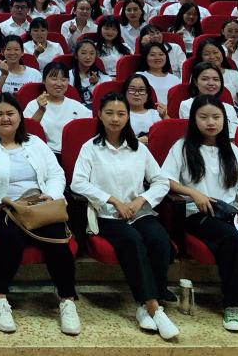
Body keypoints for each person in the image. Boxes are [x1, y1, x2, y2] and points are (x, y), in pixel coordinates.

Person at [162, 95, 238, 333]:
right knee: (232, 238)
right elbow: (166, 179)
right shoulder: (182, 147)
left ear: (224, 120)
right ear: (194, 119)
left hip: (231, 213)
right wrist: (193, 193)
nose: (210, 122)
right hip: (198, 214)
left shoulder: (231, 149)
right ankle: (232, 304)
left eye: (216, 117)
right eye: (203, 117)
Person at [0, 93, 80, 335]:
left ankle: (67, 300)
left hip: (40, 205)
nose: (5, 119)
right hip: (6, 208)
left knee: (58, 238)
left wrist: (51, 195)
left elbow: (56, 174)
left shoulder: (35, 143)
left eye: (10, 113)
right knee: (10, 239)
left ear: (20, 117)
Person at [70, 93, 177, 339]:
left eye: (121, 114)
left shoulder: (139, 148)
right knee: (132, 240)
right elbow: (78, 183)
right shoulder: (90, 148)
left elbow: (161, 181)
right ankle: (154, 307)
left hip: (139, 212)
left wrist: (140, 200)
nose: (115, 119)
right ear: (99, 115)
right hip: (107, 214)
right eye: (109, 113)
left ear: (128, 117)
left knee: (159, 239)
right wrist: (113, 200)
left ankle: (143, 306)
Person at [23, 62, 89, 154]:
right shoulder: (33, 105)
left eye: (63, 79)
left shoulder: (77, 106)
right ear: (44, 80)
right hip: (43, 153)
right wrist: (40, 111)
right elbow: (26, 133)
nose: (59, 84)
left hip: (73, 154)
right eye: (54, 79)